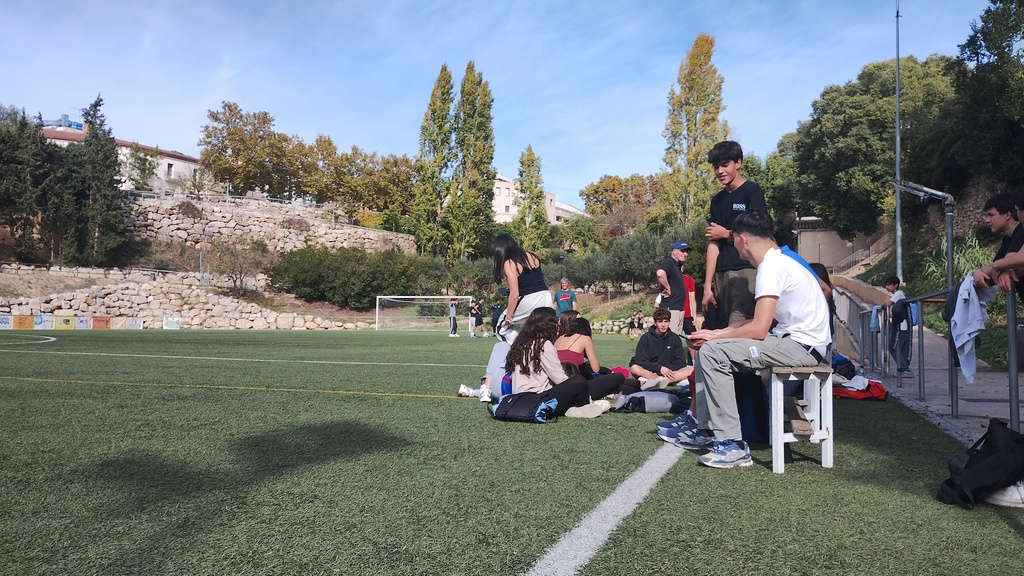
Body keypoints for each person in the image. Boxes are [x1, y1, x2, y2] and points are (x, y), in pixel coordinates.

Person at [671, 210, 830, 469]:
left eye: (732, 239)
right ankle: (708, 430)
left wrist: (714, 340)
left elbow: (758, 330)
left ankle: (731, 444)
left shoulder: (771, 267)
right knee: (711, 347)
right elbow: (757, 321)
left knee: (711, 353)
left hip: (800, 347)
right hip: (798, 343)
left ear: (742, 239)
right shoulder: (780, 261)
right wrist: (715, 334)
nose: (732, 246)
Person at [504, 307, 617, 418]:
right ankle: (583, 404)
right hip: (540, 399)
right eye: (556, 323)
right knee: (579, 381)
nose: (558, 326)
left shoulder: (519, 344)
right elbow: (559, 378)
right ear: (548, 325)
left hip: (519, 399)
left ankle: (573, 408)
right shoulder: (543, 345)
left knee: (580, 381)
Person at [702, 141, 767, 328]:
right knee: (719, 329)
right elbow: (713, 244)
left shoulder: (752, 191)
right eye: (716, 167)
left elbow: (759, 234)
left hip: (746, 271)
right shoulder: (717, 201)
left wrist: (726, 233)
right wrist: (707, 287)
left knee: (737, 329)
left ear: (738, 163)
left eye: (725, 165)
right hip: (721, 275)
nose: (720, 171)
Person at [493, 234, 553, 344]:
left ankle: (522, 347)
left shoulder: (509, 263)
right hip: (546, 296)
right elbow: (531, 279)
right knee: (540, 331)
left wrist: (509, 316)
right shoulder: (532, 256)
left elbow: (515, 293)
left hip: (529, 299)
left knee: (501, 328)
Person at [629, 307, 693, 390]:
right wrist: (660, 369)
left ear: (669, 322)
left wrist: (667, 370)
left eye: (666, 321)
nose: (663, 325)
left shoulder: (675, 338)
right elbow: (641, 360)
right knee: (635, 368)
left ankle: (656, 381)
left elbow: (681, 361)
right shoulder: (646, 338)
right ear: (655, 323)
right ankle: (664, 381)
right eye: (660, 321)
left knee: (692, 369)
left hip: (669, 372)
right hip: (651, 371)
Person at [656, 241, 691, 336]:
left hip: (678, 308)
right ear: (674, 251)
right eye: (682, 251)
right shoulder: (669, 262)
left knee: (675, 339)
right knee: (669, 339)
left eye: (686, 252)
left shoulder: (677, 266)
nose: (685, 254)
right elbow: (660, 273)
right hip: (671, 308)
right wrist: (667, 288)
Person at [882, 276, 912, 376]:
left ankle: (904, 369)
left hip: (901, 326)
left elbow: (888, 304)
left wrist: (883, 306)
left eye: (889, 285)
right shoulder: (900, 294)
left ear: (896, 285)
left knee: (893, 348)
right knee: (902, 348)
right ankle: (905, 370)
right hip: (904, 325)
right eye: (886, 285)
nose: (887, 287)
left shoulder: (899, 294)